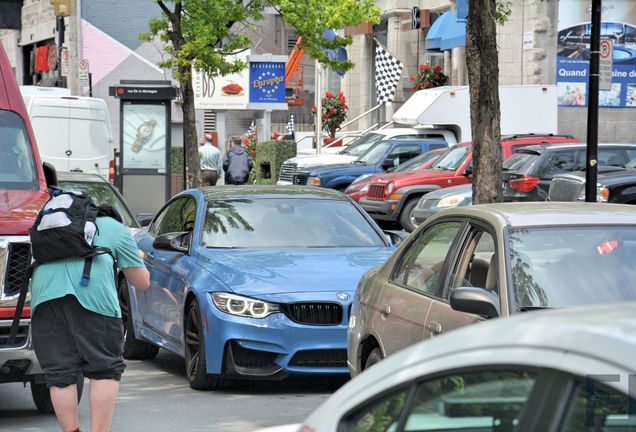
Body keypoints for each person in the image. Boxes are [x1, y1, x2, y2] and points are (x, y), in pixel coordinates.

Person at [30, 205, 150, 432]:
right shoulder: (115, 228)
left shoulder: (51, 228)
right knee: (105, 368)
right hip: (93, 299)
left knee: (60, 374)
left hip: (44, 299)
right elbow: (142, 282)